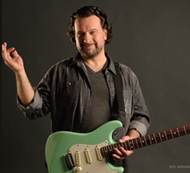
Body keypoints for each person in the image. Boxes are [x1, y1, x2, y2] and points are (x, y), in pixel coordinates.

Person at [2, 5, 150, 173]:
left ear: (105, 33)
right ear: (74, 36)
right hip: (72, 166)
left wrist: (130, 139)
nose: (86, 39)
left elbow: (141, 116)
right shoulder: (59, 72)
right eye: (80, 33)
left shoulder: (126, 76)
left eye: (92, 32)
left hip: (113, 166)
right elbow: (34, 109)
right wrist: (19, 72)